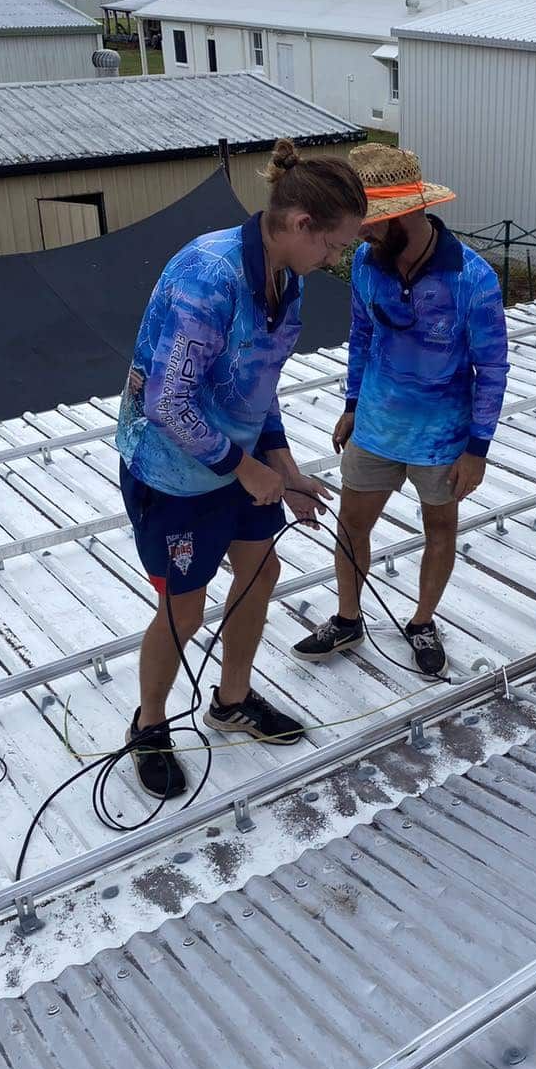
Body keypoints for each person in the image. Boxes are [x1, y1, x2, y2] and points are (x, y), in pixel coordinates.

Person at [115, 139, 367, 797]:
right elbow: (168, 400)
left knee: (262, 571)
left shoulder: (286, 278)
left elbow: (257, 385)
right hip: (173, 473)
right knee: (184, 609)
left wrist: (285, 468)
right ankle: (147, 726)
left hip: (240, 465)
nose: (336, 260)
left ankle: (230, 701)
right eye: (334, 245)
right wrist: (246, 469)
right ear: (299, 224)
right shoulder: (212, 275)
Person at [292, 143, 509, 677]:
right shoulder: (368, 261)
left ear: (407, 213)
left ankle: (422, 620)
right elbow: (362, 333)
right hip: (376, 426)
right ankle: (347, 617)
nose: (361, 234)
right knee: (351, 525)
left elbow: (494, 370)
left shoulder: (472, 280)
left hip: (443, 438)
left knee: (439, 529)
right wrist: (351, 403)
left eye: (372, 221)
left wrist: (477, 450)